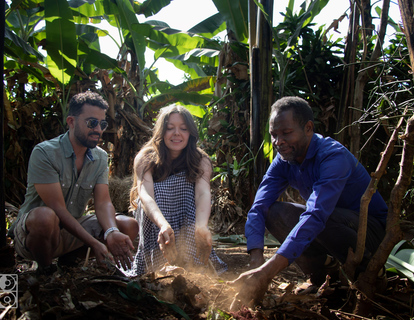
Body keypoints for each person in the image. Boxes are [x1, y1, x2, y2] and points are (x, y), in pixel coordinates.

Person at [229, 96, 388, 305]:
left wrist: (268, 271)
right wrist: (256, 260)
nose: (278, 142)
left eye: (286, 133)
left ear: (308, 128)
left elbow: (317, 214)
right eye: (274, 135)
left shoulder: (333, 156)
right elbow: (259, 207)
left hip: (369, 232)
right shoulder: (284, 159)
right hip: (331, 224)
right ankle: (322, 274)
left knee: (317, 217)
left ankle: (369, 276)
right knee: (274, 211)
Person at [10, 91, 138, 273]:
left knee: (127, 225)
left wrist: (111, 232)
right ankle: (45, 271)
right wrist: (93, 242)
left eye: (102, 124)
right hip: (35, 235)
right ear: (71, 121)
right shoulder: (45, 153)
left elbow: (103, 202)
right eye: (92, 122)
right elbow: (58, 209)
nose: (99, 129)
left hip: (71, 231)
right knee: (45, 218)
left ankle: (69, 262)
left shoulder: (100, 157)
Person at [126, 105, 227, 276]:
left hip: (187, 218)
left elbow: (203, 193)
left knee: (187, 188)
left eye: (183, 129)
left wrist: (201, 226)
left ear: (191, 133)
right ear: (161, 132)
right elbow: (145, 195)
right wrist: (163, 225)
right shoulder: (145, 158)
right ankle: (155, 263)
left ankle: (193, 260)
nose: (177, 133)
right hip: (155, 220)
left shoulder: (200, 160)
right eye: (170, 128)